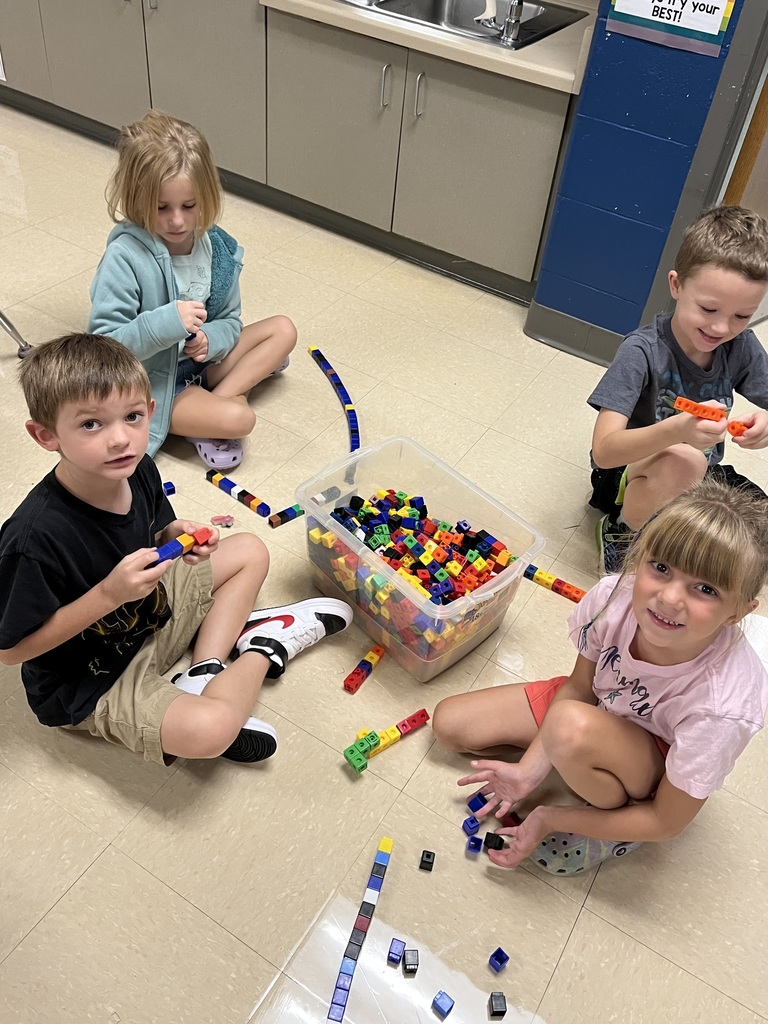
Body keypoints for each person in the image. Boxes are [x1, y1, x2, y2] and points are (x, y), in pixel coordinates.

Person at [0, 334, 351, 767]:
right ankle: (263, 646)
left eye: (131, 417)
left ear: (150, 412)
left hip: (150, 615)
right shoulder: (33, 541)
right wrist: (108, 596)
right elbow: (10, 651)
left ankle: (205, 668)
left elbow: (156, 531)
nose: (119, 439)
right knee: (212, 732)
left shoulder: (138, 467)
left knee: (250, 551)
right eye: (91, 424)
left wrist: (176, 537)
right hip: (92, 678)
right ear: (45, 435)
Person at [431, 478, 768, 875]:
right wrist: (528, 772)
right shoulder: (614, 597)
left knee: (569, 727)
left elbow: (667, 821)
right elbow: (579, 687)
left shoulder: (722, 706)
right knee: (451, 725)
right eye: (660, 568)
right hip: (598, 708)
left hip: (653, 761)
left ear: (738, 613)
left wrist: (549, 817)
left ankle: (617, 813)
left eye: (705, 589)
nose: (670, 598)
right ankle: (575, 751)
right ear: (638, 560)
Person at [87, 109, 296, 471]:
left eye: (189, 206)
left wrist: (210, 341)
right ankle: (221, 405)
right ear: (137, 199)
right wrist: (168, 322)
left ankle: (221, 398)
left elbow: (230, 320)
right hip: (155, 383)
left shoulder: (214, 246)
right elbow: (103, 349)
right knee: (240, 420)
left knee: (284, 329)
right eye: (161, 208)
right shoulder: (125, 256)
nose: (178, 220)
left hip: (202, 363)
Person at [587, 205, 768, 575]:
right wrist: (678, 431)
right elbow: (604, 452)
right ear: (676, 285)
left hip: (701, 473)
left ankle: (675, 527)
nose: (721, 328)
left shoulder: (741, 346)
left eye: (741, 316)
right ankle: (623, 532)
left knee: (758, 535)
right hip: (625, 474)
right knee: (685, 459)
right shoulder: (642, 351)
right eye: (708, 308)